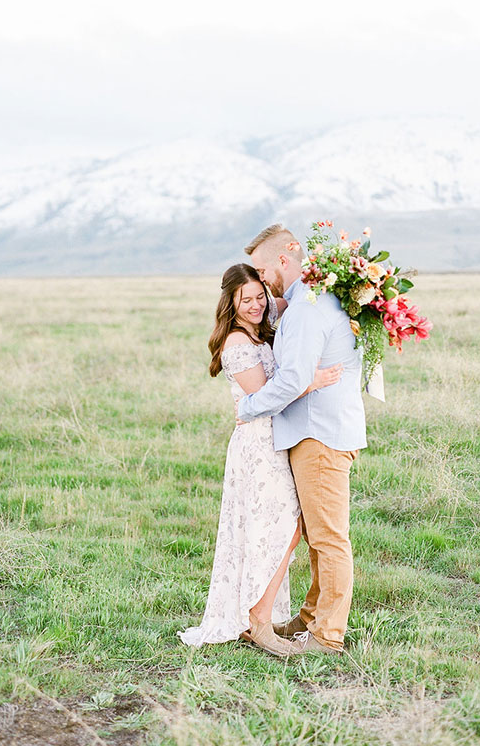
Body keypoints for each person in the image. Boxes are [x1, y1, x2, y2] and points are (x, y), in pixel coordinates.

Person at [177, 263, 342, 657]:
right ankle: (259, 623)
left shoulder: (262, 323)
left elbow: (295, 300)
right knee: (283, 530)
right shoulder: (236, 343)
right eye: (244, 299)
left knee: (283, 529)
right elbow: (265, 397)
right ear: (230, 303)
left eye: (258, 297)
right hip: (258, 444)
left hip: (276, 441)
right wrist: (311, 381)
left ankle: (259, 615)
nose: (254, 305)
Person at [237, 224, 367, 654]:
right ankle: (310, 617)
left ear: (285, 257)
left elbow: (293, 379)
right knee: (316, 533)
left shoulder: (308, 307)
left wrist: (248, 406)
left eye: (261, 268)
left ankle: (327, 634)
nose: (260, 278)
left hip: (319, 434)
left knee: (329, 537)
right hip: (320, 430)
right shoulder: (308, 301)